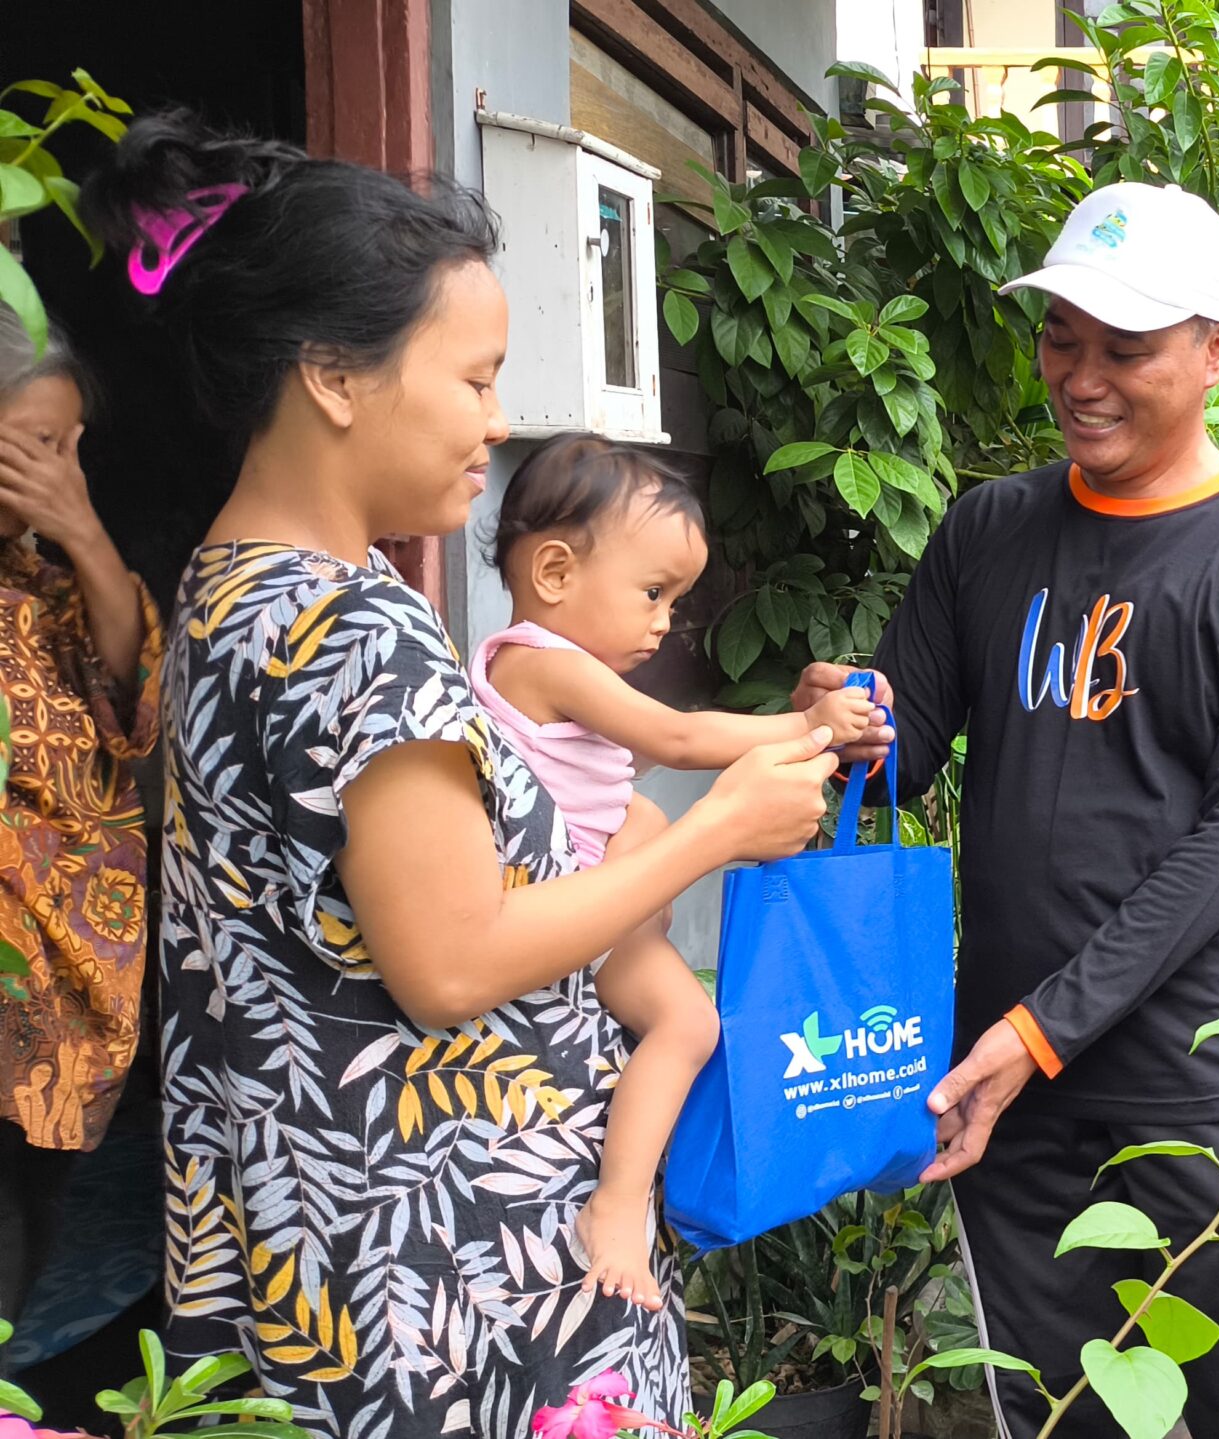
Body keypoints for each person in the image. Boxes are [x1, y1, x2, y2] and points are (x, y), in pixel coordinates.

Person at [89, 115, 879, 1435]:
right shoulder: (357, 624)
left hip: (301, 1249)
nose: (498, 422)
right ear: (334, 372)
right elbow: (453, 963)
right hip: (463, 1276)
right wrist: (714, 832)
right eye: (474, 378)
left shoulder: (219, 597)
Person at [790, 181, 1219, 1438]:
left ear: (1216, 349)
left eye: (1127, 348)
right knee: (1057, 1408)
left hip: (1207, 1094)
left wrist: (1034, 1030)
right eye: (1063, 337)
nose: (1082, 377)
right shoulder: (988, 528)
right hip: (1014, 1089)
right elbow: (902, 763)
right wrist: (847, 722)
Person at [470, 433, 880, 1311]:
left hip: (592, 883)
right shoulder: (543, 659)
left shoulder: (529, 662)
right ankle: (616, 1204)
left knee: (654, 831)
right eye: (653, 592)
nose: (667, 621)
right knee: (689, 1023)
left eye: (676, 598)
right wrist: (814, 728)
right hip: (575, 906)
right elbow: (679, 738)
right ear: (553, 572)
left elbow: (634, 770)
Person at [0, 310, 159, 1332]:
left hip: (69, 1007)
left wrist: (83, 527)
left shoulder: (46, 583)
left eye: (73, 448)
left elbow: (137, 694)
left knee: (32, 1216)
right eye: (38, 447)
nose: (65, 468)